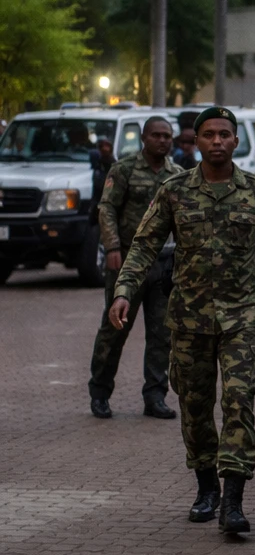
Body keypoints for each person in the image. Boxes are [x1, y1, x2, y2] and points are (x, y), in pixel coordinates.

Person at [109, 107, 255, 536]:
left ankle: (234, 500)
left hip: (242, 315)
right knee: (195, 405)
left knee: (240, 399)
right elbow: (144, 245)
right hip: (189, 318)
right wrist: (123, 291)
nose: (218, 141)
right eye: (209, 135)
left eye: (225, 134)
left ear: (236, 141)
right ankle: (206, 486)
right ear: (197, 141)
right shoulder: (175, 190)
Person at [89, 116, 182, 419]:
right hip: (127, 261)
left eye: (167, 135)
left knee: (161, 334)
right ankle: (100, 392)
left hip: (164, 262)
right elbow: (106, 208)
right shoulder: (124, 169)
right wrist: (112, 246)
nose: (163, 140)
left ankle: (155, 396)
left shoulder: (177, 175)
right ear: (144, 138)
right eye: (156, 135)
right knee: (115, 329)